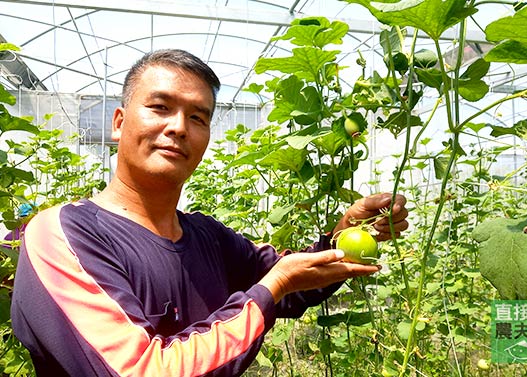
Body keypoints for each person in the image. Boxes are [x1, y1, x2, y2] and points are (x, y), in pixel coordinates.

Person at [11, 49, 409, 376]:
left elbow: (294, 277)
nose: (179, 127)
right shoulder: (62, 233)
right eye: (160, 107)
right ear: (118, 123)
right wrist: (270, 289)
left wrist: (343, 232)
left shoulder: (207, 236)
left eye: (198, 117)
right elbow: (136, 370)